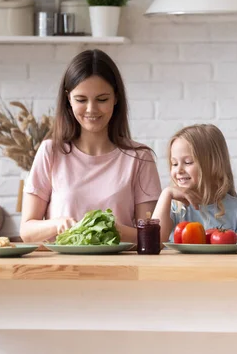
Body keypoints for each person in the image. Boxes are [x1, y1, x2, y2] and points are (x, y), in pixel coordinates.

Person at [20, 49, 162, 243]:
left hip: (122, 269)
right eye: (81, 100)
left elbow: (150, 237)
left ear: (116, 98)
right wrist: (57, 224)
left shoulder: (139, 158)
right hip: (62, 270)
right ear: (69, 99)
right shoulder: (51, 152)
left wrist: (107, 227)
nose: (91, 109)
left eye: (102, 99)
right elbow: (26, 231)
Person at [152, 124, 237, 246]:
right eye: (174, 164)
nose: (179, 170)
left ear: (213, 164)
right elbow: (154, 243)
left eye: (188, 162)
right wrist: (166, 194)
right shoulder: (173, 207)